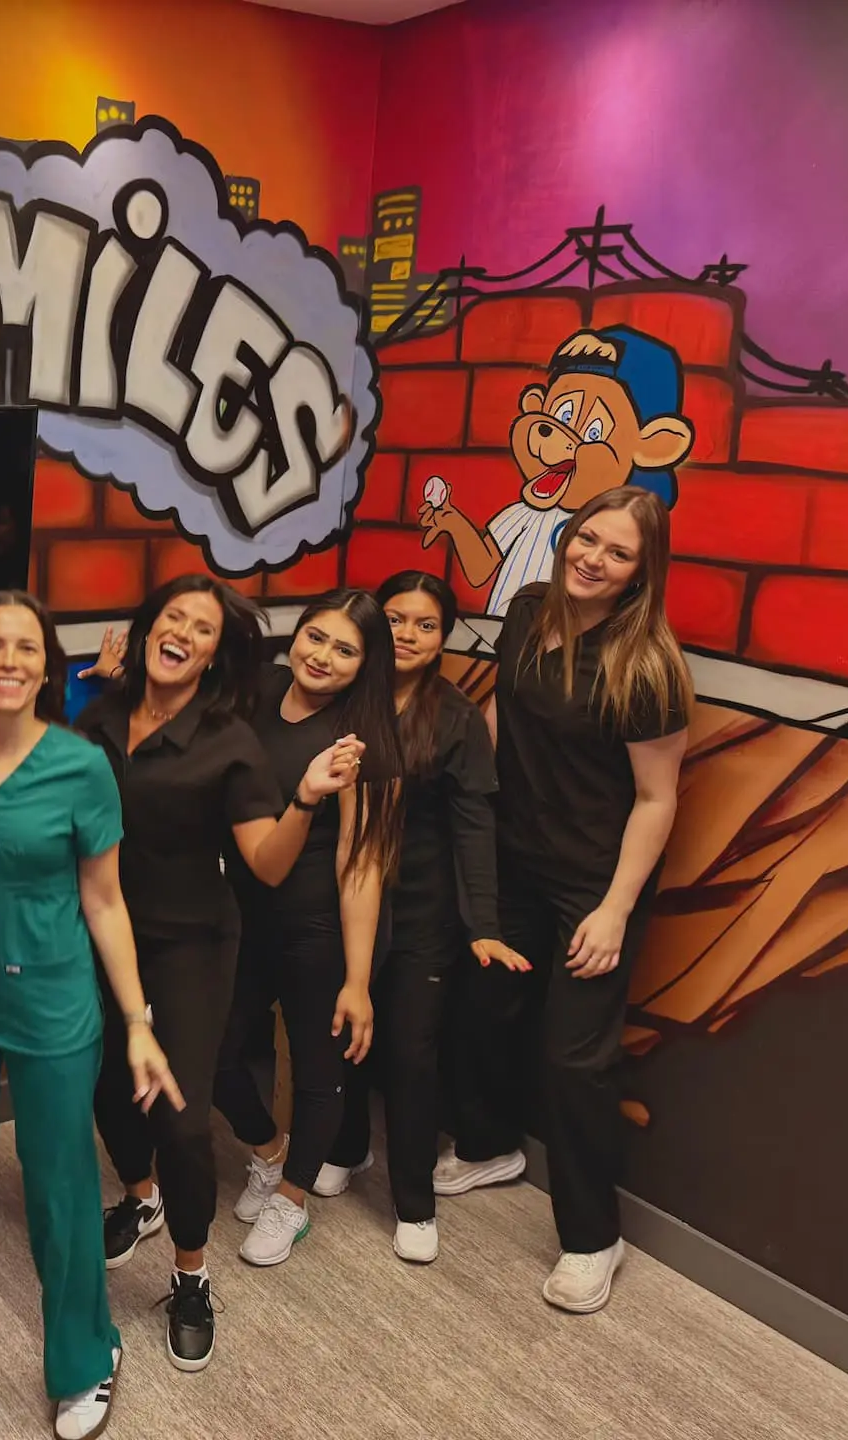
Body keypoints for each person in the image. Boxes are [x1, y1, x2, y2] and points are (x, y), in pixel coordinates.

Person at [0, 590, 179, 1440]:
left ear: (48, 664)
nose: (11, 661)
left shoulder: (79, 763)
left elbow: (105, 903)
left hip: (54, 1001)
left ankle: (85, 1357)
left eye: (28, 647)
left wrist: (137, 1021)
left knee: (59, 1182)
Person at [73, 575, 362, 1372]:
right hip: (99, 932)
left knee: (178, 1115)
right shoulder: (98, 714)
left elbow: (267, 865)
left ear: (214, 652)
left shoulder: (228, 739)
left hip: (192, 944)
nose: (182, 635)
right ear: (145, 628)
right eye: (172, 619)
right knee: (102, 1085)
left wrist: (303, 798)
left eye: (201, 630)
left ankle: (191, 1274)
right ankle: (141, 1198)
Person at [440, 487, 691, 1313]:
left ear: (640, 573)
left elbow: (657, 800)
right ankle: (487, 1146)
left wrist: (616, 908)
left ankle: (593, 1237)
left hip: (594, 879)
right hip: (514, 858)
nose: (594, 558)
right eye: (588, 538)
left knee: (573, 1060)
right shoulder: (528, 610)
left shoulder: (648, 666)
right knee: (484, 1002)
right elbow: (508, 721)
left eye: (618, 553)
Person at [318, 574, 528, 1264]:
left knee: (410, 1052)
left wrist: (484, 923)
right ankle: (346, 1148)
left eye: (425, 625)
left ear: (444, 638)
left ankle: (414, 1200)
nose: (407, 635)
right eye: (395, 619)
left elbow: (475, 824)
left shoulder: (456, 716)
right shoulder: (341, 691)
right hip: (340, 896)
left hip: (423, 912)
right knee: (341, 1032)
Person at [214, 589, 403, 1269]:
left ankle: (292, 1202)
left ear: (366, 664)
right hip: (243, 915)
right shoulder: (261, 690)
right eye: (315, 637)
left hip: (318, 927)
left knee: (321, 1076)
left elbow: (362, 867)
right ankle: (269, 1154)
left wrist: (357, 980)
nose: (321, 656)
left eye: (344, 649)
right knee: (215, 1055)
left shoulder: (362, 742)